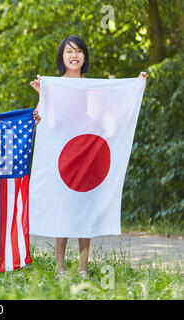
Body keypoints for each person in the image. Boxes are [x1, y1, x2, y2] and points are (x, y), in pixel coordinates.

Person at [29, 35, 148, 278]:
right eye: (69, 51)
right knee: (62, 210)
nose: (74, 55)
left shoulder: (93, 85)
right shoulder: (53, 85)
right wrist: (43, 93)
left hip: (88, 152)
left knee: (85, 208)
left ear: (85, 56)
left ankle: (83, 268)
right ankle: (60, 267)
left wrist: (137, 87)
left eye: (79, 51)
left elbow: (112, 112)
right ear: (62, 58)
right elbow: (44, 119)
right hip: (63, 154)